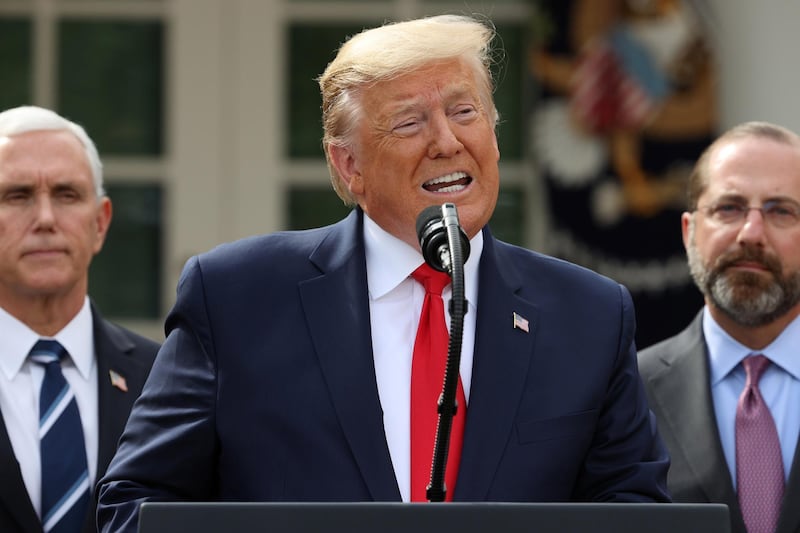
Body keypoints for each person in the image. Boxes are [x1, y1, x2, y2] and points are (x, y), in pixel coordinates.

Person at [97, 14, 669, 533]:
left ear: (494, 136)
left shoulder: (590, 314)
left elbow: (636, 509)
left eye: (464, 112)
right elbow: (135, 506)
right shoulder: (236, 297)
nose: (447, 142)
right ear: (350, 168)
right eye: (408, 123)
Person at [0, 105, 160, 533]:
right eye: (17, 195)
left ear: (100, 223)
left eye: (67, 194)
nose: (46, 219)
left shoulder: (165, 377)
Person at [638, 121, 800, 533]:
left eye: (781, 210)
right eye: (729, 208)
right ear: (689, 232)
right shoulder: (625, 392)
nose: (751, 233)